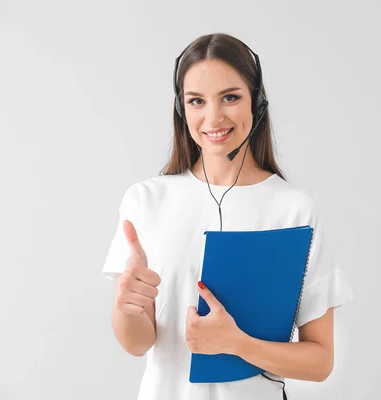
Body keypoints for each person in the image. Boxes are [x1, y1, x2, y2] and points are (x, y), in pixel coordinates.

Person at [101, 32, 354, 400]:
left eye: (230, 97)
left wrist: (236, 343)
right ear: (181, 109)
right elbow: (138, 344)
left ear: (257, 102)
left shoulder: (295, 211)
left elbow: (319, 361)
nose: (213, 117)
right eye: (196, 101)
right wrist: (127, 305)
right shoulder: (147, 200)